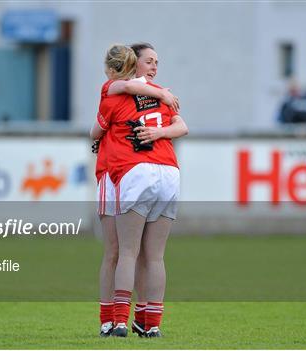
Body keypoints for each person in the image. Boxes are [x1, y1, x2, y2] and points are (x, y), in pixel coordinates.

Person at [91, 43, 187, 338]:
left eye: (157, 61)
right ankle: (150, 323)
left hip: (129, 172)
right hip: (169, 174)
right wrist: (159, 98)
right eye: (150, 61)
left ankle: (116, 320)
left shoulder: (113, 94)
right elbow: (182, 126)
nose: (154, 66)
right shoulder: (164, 96)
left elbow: (95, 132)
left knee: (122, 253)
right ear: (136, 64)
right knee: (154, 257)